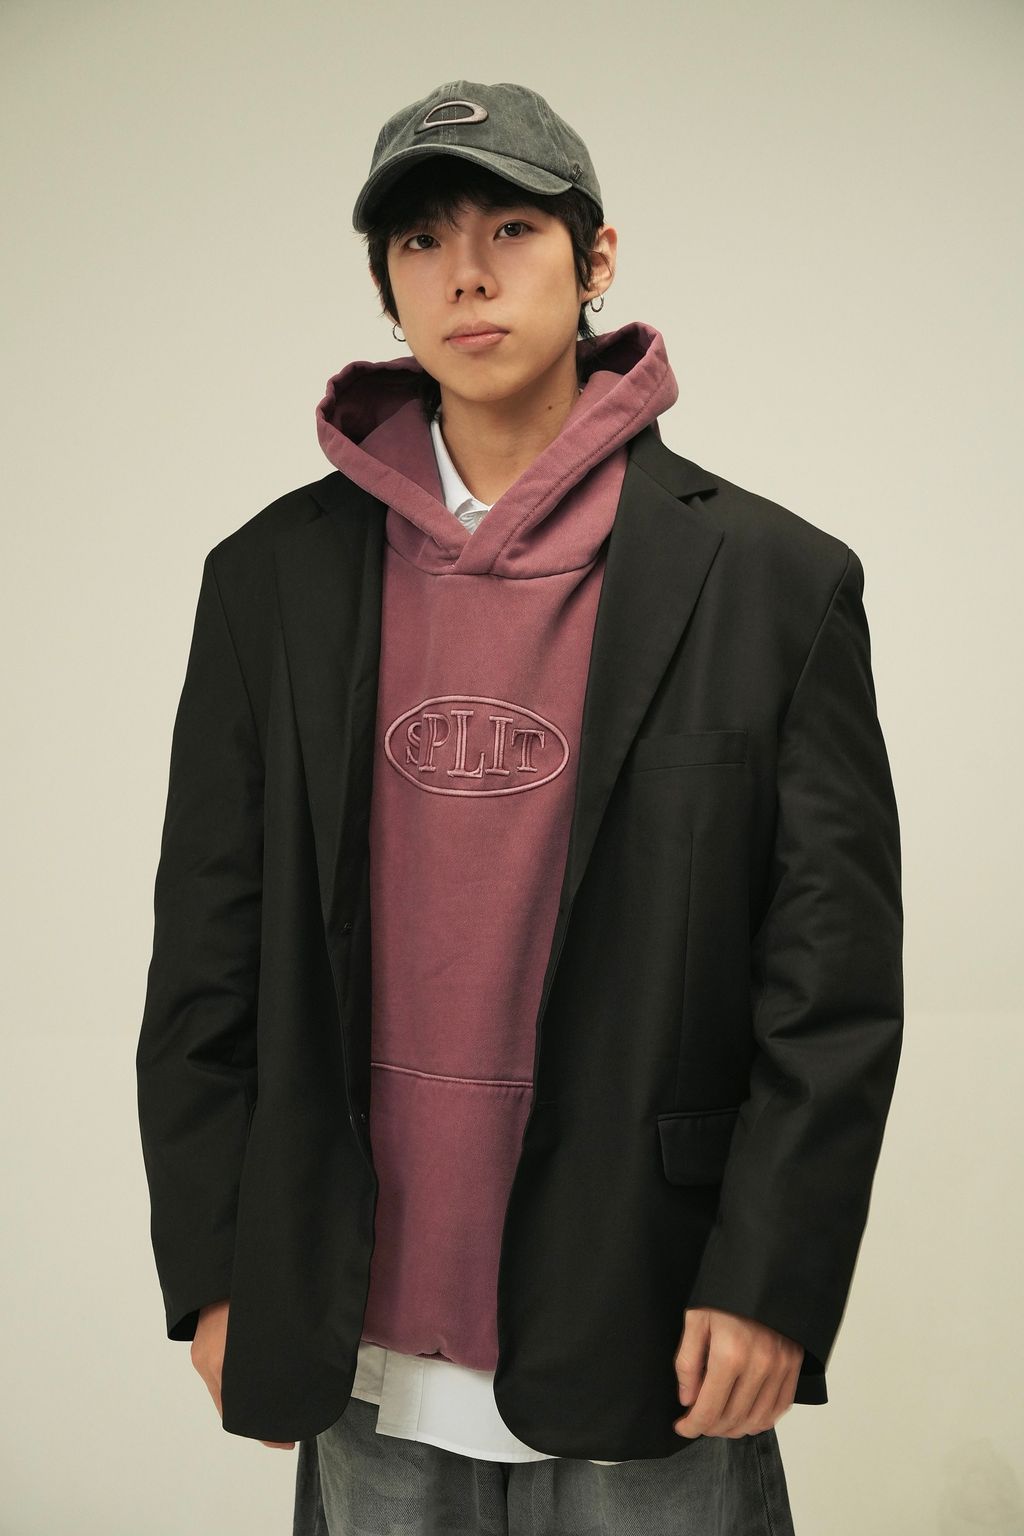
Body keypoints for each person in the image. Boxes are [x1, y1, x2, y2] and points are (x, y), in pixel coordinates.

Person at [136, 79, 903, 1536]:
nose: (467, 275)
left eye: (510, 229)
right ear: (388, 285)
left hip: (654, 1313)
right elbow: (206, 958)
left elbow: (832, 986)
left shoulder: (774, 584)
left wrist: (773, 1277)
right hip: (358, 1325)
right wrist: (217, 1265)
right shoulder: (269, 583)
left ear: (596, 257)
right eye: (422, 242)